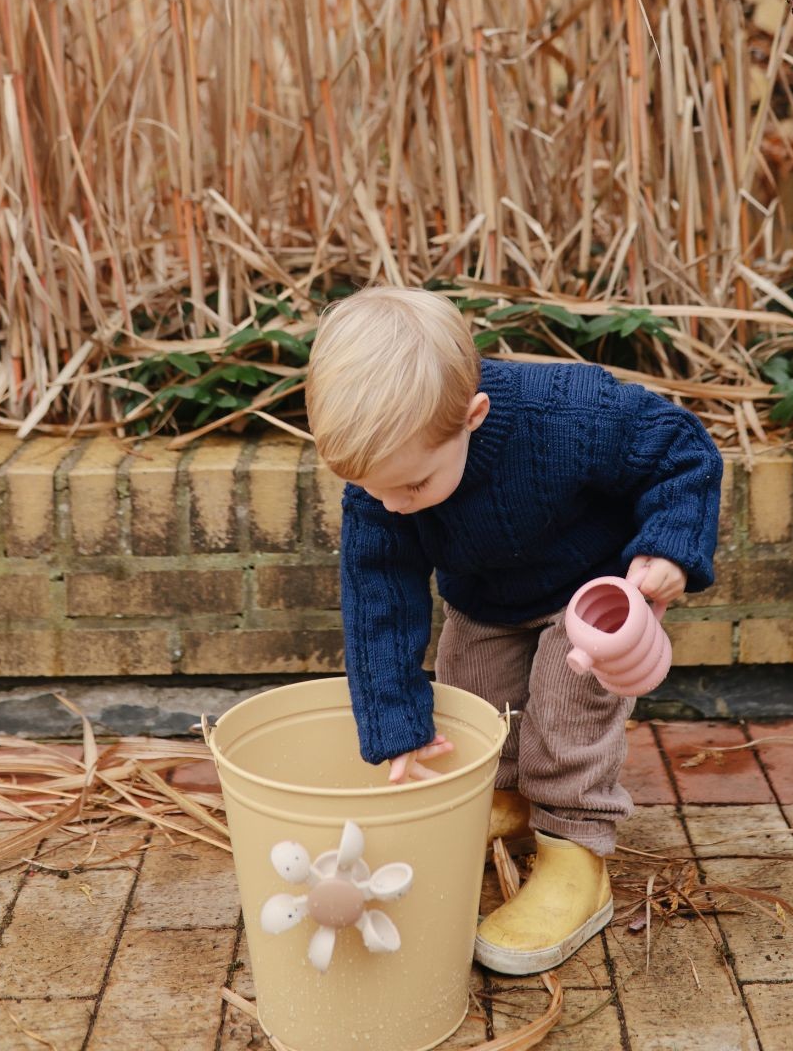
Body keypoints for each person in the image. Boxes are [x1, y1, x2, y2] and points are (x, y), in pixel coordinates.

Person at [304, 286, 722, 975]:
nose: (390, 505)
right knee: (472, 699)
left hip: (592, 595)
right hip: (486, 598)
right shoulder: (386, 482)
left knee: (564, 712)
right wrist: (396, 725)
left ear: (473, 417)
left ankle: (574, 853)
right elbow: (378, 595)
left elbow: (681, 451)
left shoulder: (572, 413)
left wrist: (670, 546)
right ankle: (504, 799)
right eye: (373, 489)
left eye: (410, 488)